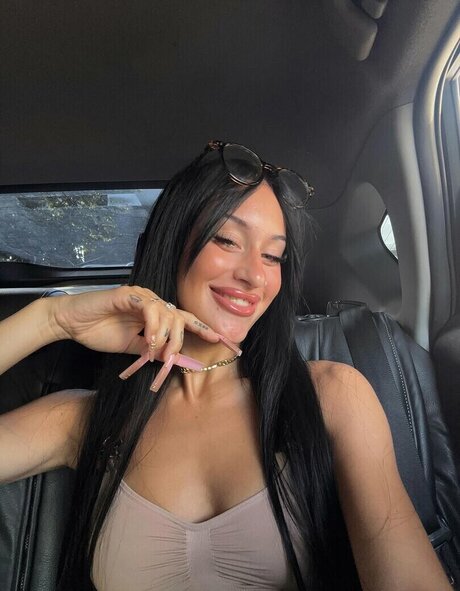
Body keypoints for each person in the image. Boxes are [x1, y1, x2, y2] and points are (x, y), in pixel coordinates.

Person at [0, 141, 451, 591]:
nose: (254, 276)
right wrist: (51, 319)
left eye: (272, 256)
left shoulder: (332, 395)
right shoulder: (84, 419)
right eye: (228, 240)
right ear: (171, 243)